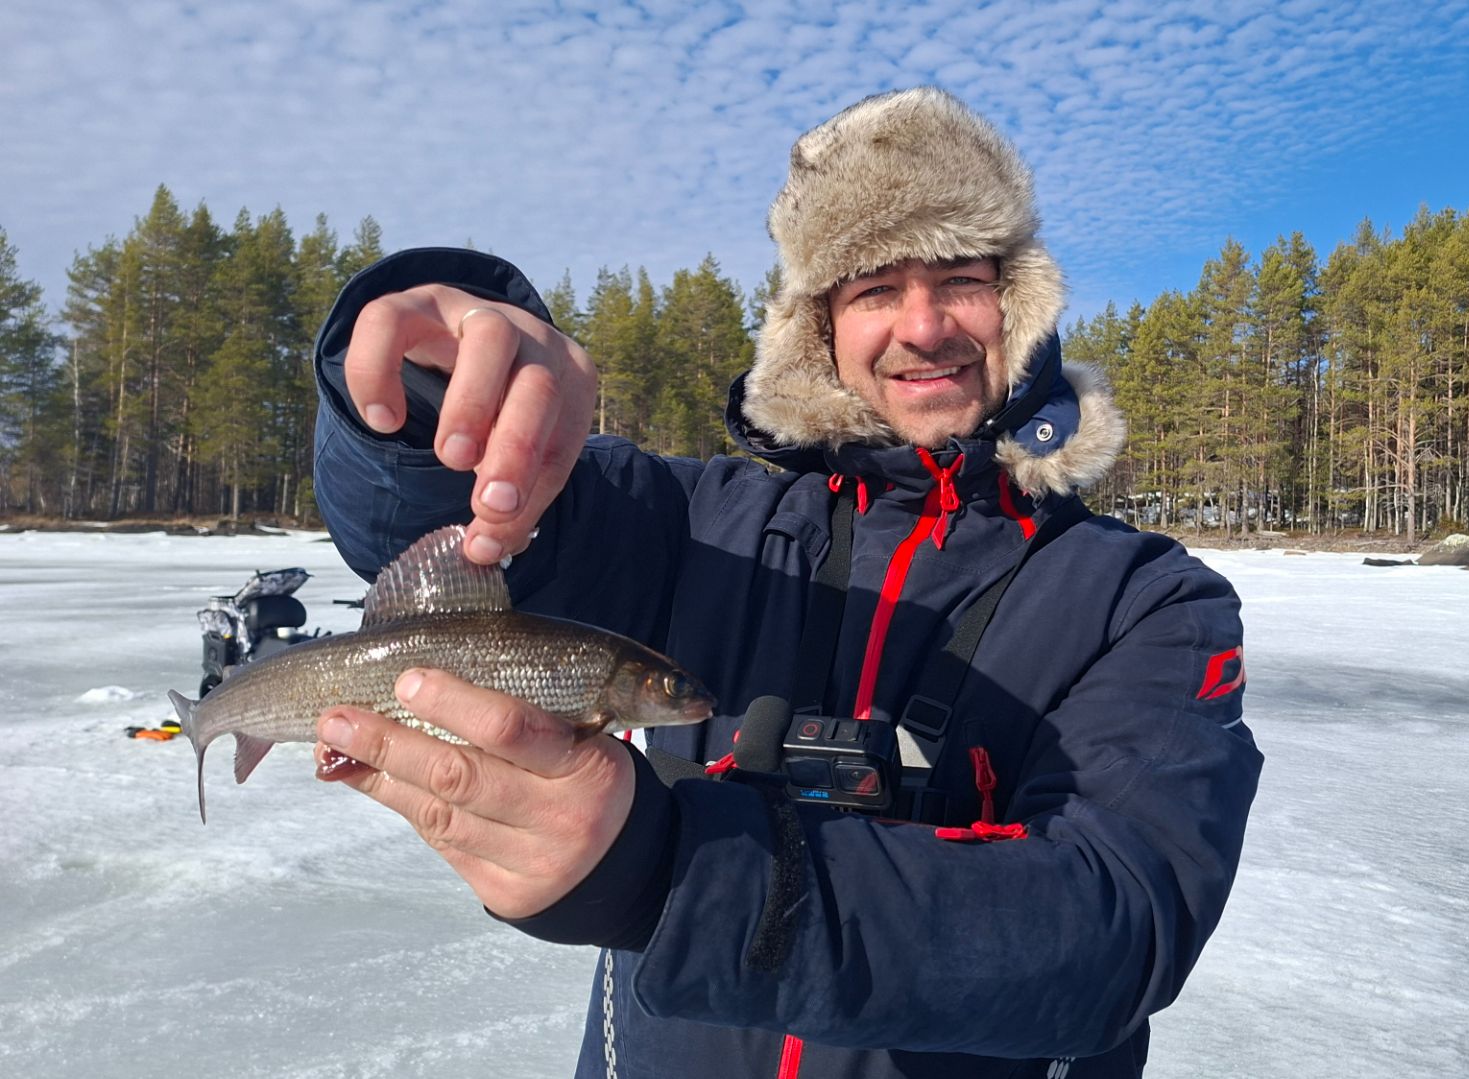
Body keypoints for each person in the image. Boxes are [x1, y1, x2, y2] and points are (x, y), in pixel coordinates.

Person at [308, 87, 1261, 1079]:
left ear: (1019, 305)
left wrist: (676, 873)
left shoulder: (1146, 601)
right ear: (822, 329)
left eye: (961, 278)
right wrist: (427, 400)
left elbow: (1115, 927)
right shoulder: (697, 525)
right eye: (873, 289)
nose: (923, 324)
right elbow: (446, 529)